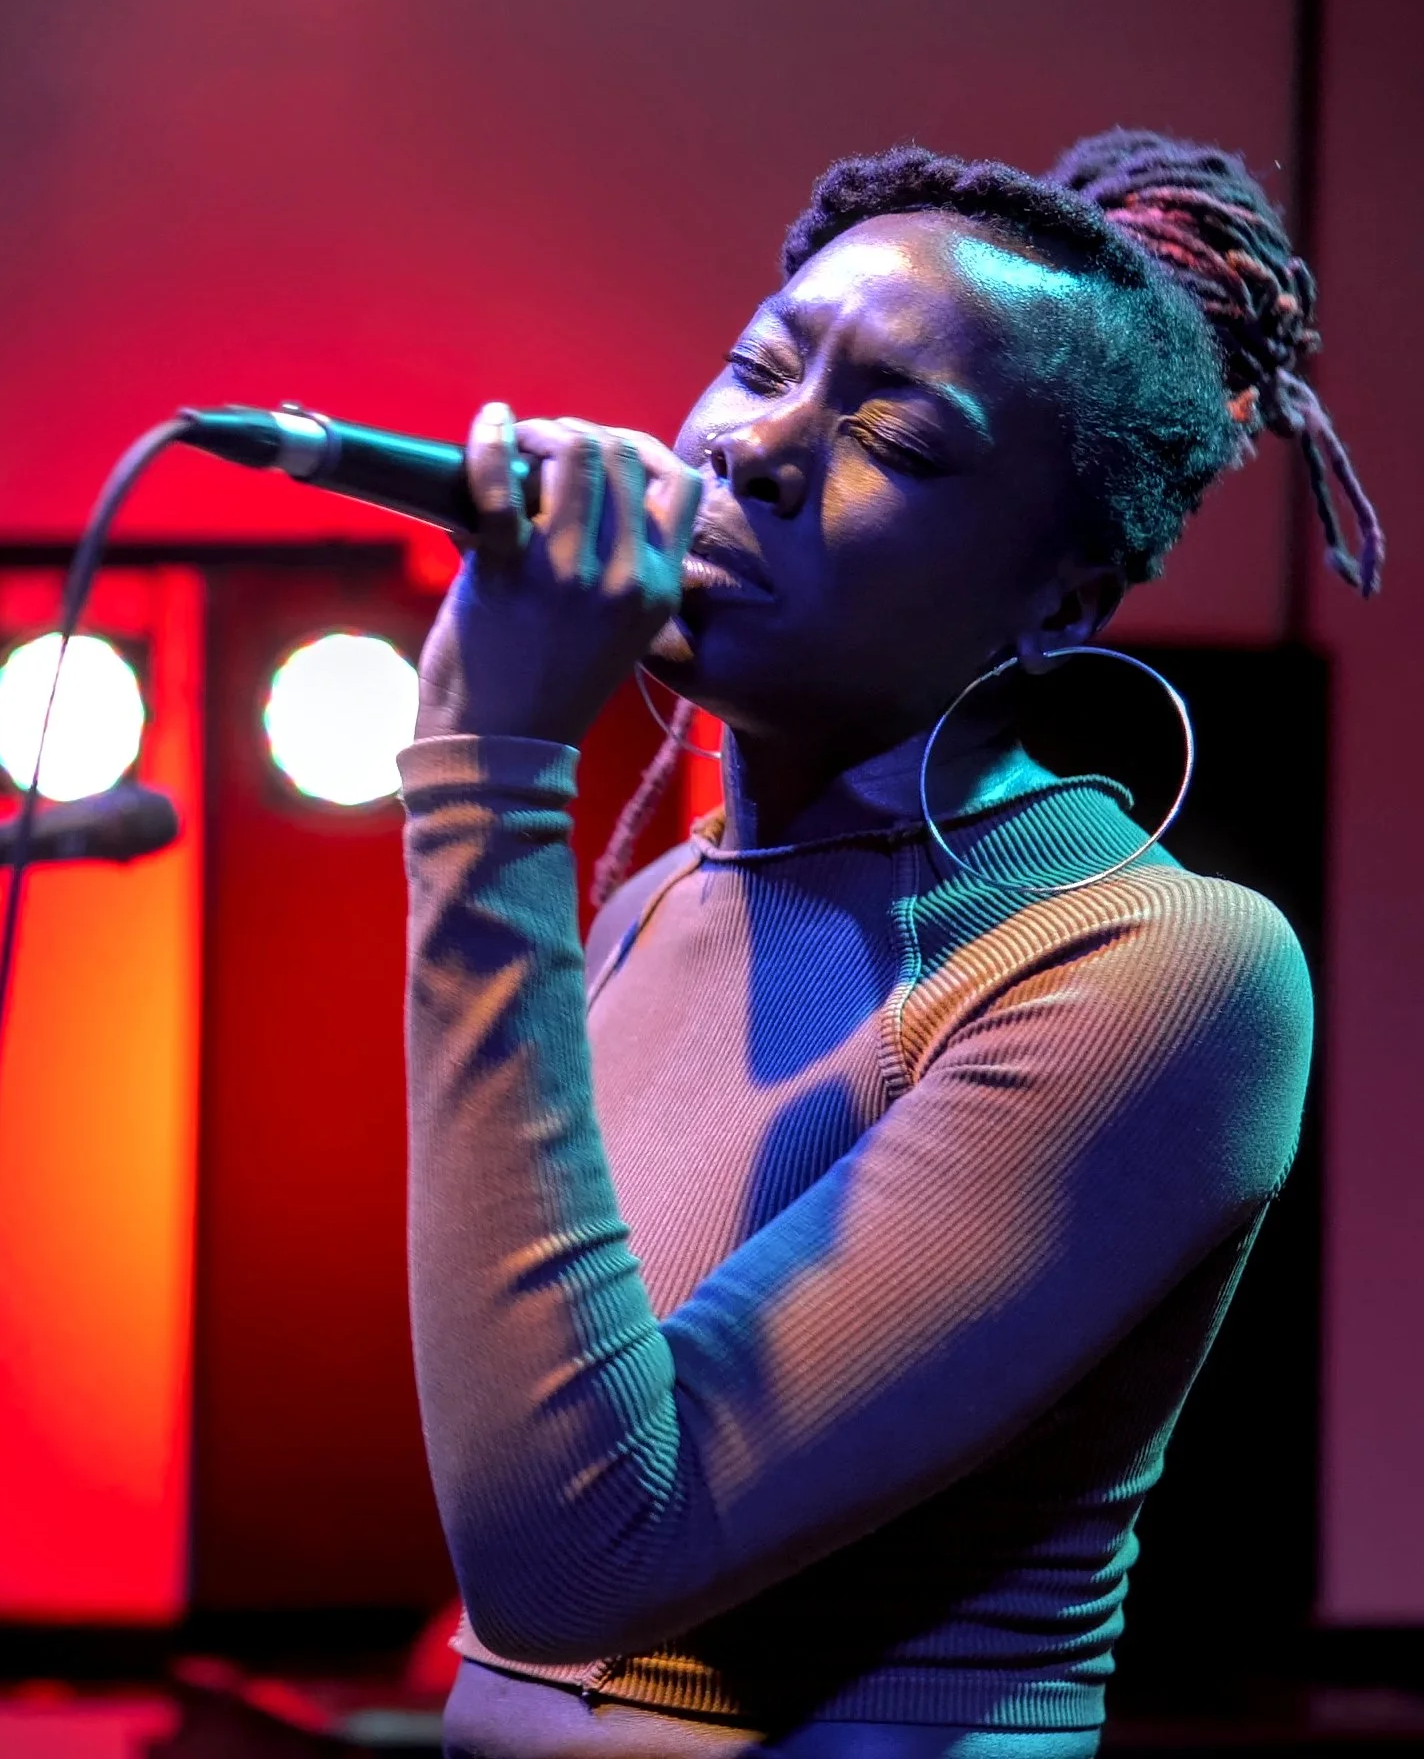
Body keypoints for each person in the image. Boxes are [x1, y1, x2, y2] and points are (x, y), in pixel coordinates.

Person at [398, 132, 1381, 1759]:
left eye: (897, 438)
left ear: (1061, 605)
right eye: (759, 367)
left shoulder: (1159, 965)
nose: (758, 449)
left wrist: (488, 781)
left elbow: (580, 1562)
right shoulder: (657, 904)